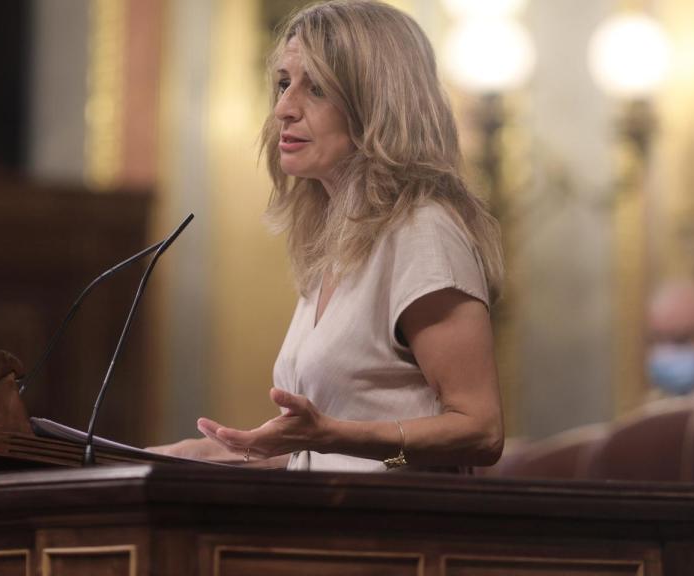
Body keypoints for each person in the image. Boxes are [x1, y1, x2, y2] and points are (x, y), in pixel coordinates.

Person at [151, 0, 504, 472]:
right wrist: (213, 456)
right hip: (327, 528)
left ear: (376, 103)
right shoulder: (342, 240)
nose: (282, 109)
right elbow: (323, 455)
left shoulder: (423, 232)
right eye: (283, 84)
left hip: (396, 539)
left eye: (315, 88)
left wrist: (334, 434)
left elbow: (480, 429)